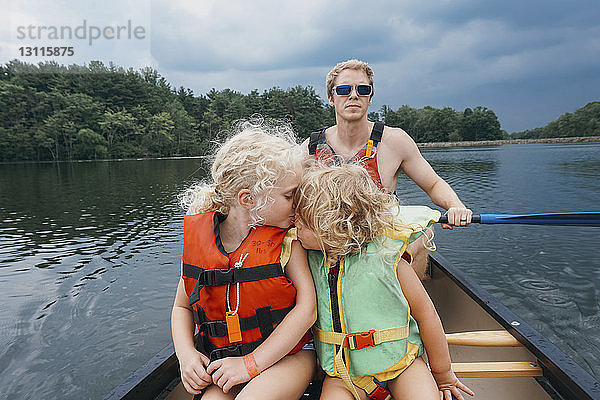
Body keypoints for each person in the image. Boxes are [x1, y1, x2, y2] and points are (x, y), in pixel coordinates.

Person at [294, 163, 475, 400]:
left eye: (303, 221)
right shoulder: (306, 259)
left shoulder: (389, 261)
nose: (294, 224)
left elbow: (426, 315)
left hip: (402, 366)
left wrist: (443, 374)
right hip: (343, 375)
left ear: (333, 229)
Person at [171, 121, 317, 399]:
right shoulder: (203, 243)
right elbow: (182, 306)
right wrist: (186, 355)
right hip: (225, 359)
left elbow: (307, 310)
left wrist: (251, 364)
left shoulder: (289, 241)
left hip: (291, 356)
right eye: (289, 195)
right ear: (248, 199)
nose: (297, 203)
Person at [302, 59, 473, 277]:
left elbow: (433, 184)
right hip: (328, 242)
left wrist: (455, 205)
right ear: (331, 98)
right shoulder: (312, 147)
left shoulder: (395, 140)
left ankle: (407, 304)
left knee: (422, 233)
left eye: (362, 89)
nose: (354, 95)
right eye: (344, 89)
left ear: (370, 98)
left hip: (380, 239)